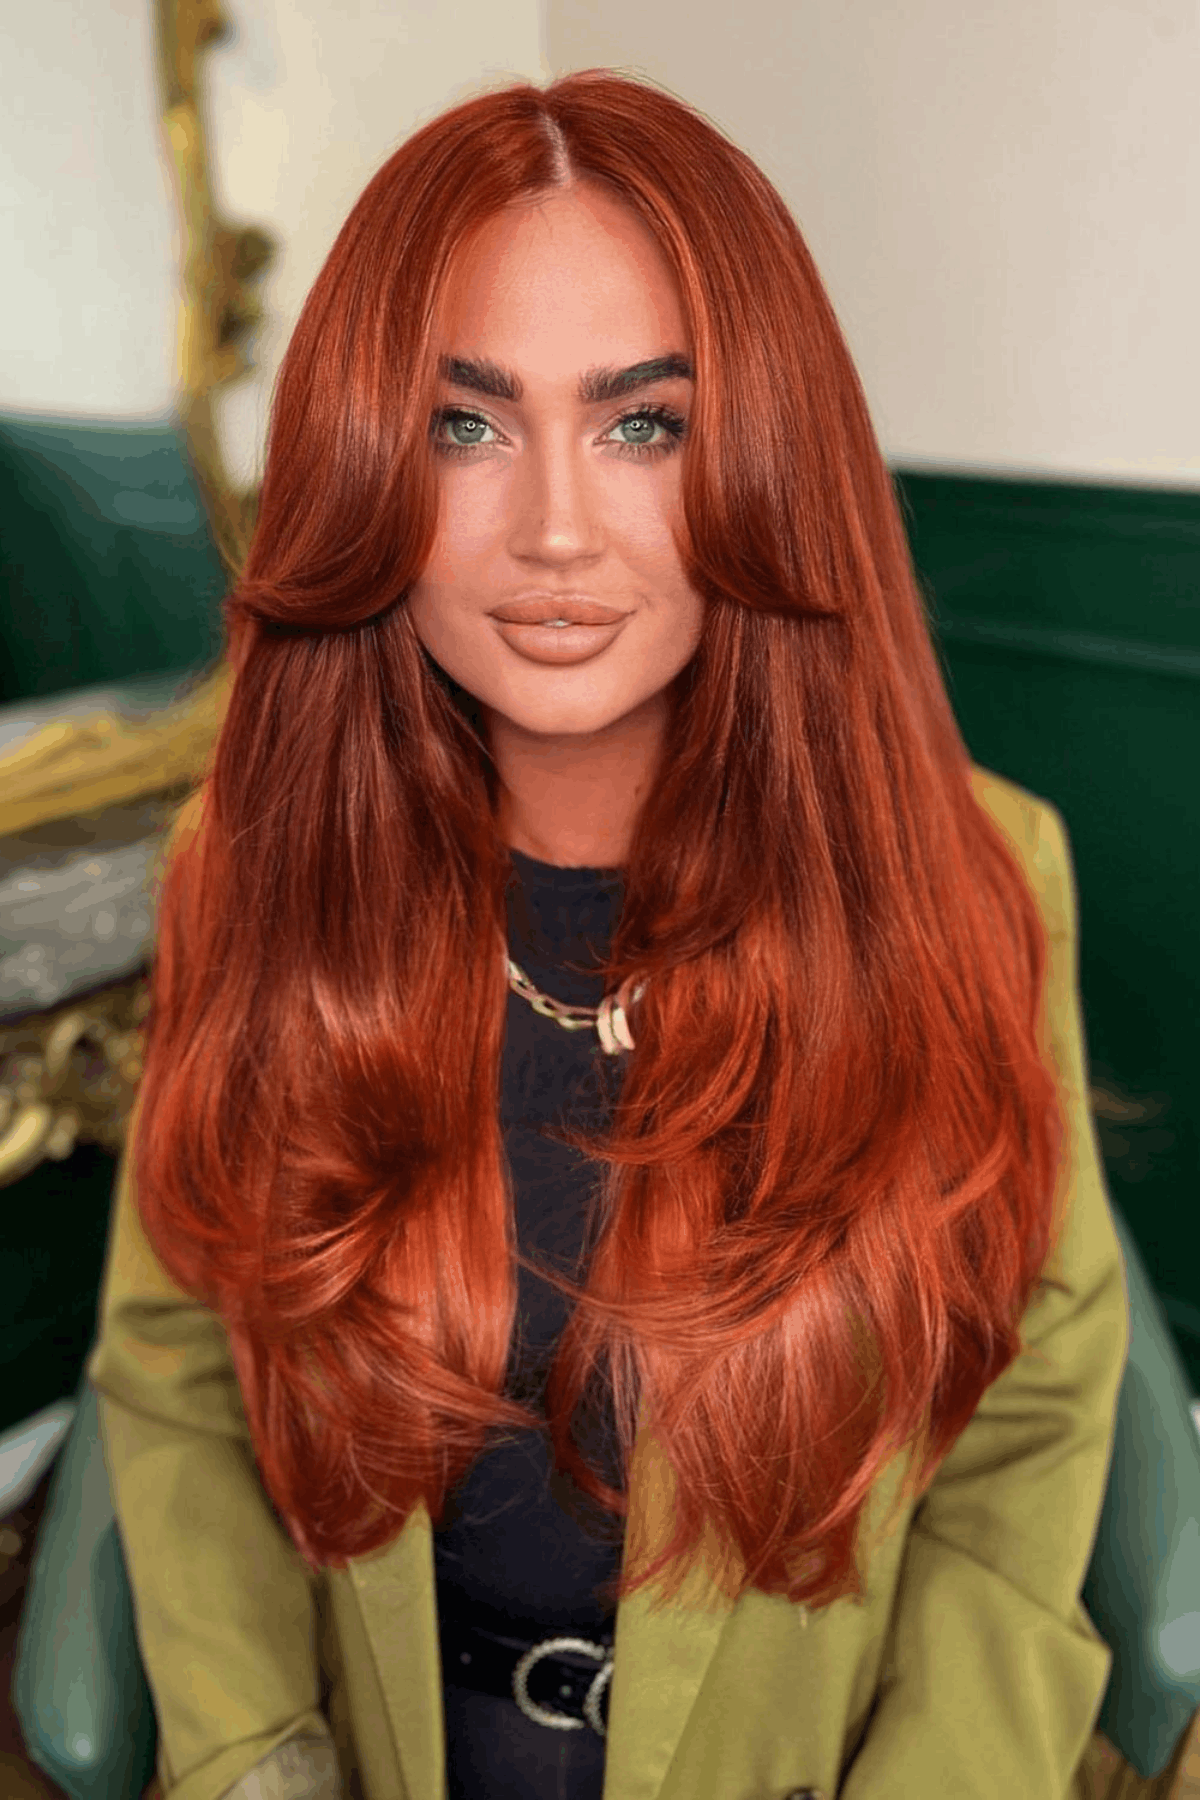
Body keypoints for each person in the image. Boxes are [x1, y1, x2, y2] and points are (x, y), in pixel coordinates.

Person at [88, 66, 1129, 1800]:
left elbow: (1029, 1424)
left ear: (763, 456)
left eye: (645, 425)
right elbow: (180, 1363)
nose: (556, 529)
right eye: (466, 426)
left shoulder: (981, 875)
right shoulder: (253, 870)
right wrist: (259, 1760)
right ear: (364, 462)